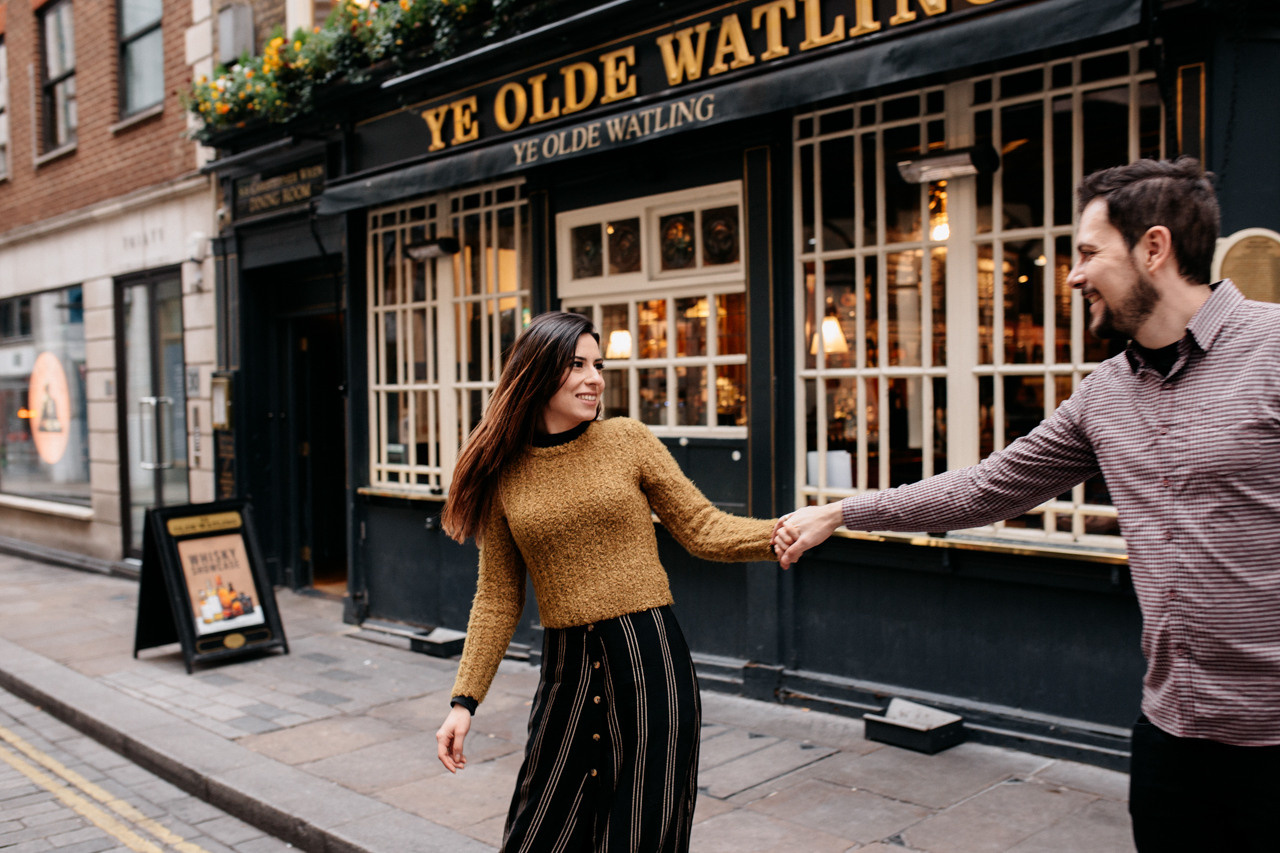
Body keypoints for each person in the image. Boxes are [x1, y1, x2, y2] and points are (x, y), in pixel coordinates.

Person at [770, 157, 1280, 852]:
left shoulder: (1272, 350)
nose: (1072, 275)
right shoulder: (1105, 394)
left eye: (1088, 253)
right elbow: (984, 486)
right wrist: (844, 510)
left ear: (1153, 249)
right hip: (1173, 736)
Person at [436, 311, 779, 853]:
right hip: (567, 672)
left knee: (642, 833)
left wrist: (784, 534)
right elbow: (498, 597)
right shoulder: (505, 473)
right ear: (537, 372)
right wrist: (464, 700)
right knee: (538, 834)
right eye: (576, 365)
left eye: (599, 365)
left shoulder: (627, 440)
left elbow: (703, 529)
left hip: (651, 664)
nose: (594, 378)